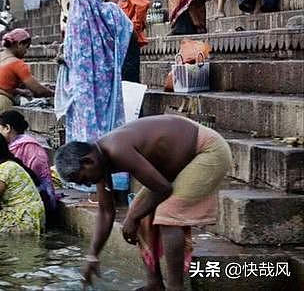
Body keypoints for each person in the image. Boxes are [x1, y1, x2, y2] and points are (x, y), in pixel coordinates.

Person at [54, 115, 232, 291]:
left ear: (88, 161)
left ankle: (175, 287)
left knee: (167, 214)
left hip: (207, 151)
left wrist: (133, 217)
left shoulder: (117, 150)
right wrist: (93, 255)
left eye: (84, 179)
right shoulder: (99, 162)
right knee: (139, 209)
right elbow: (106, 212)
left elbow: (163, 189)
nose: (88, 184)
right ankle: (154, 284)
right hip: (178, 164)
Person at [55, 0, 133, 195]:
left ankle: (83, 174)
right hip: (107, 85)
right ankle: (114, 175)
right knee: (108, 127)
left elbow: (66, 57)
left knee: (85, 129)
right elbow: (127, 28)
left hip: (82, 93)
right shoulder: (109, 12)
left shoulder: (73, 23)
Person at [0, 29, 53, 185]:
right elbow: (38, 90)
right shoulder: (17, 63)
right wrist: (55, 92)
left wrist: (20, 91)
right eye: (26, 47)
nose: (26, 52)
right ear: (19, 44)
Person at [0, 110, 58, 214]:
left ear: (7, 128)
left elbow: (35, 178)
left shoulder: (29, 146)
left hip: (37, 198)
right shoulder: (12, 146)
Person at [105, 0, 150, 83]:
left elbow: (142, 4)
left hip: (129, 35)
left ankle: (132, 101)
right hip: (125, 36)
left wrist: (135, 26)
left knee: (129, 74)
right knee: (125, 71)